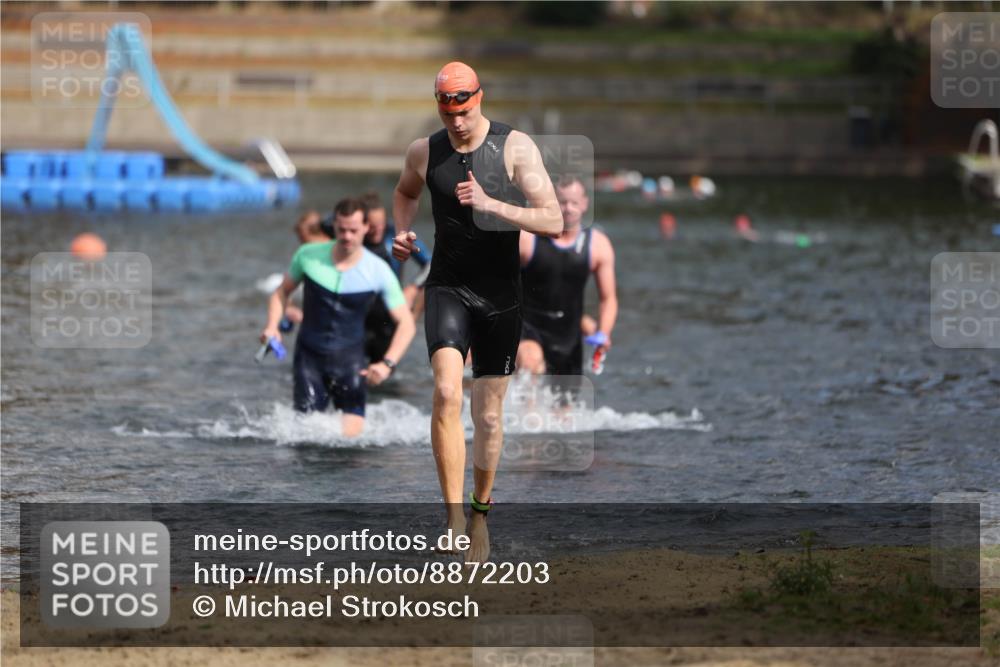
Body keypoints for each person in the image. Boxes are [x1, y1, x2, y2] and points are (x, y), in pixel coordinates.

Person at [392, 61, 563, 562]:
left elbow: (552, 219)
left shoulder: (515, 147)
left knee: (487, 416)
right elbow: (405, 193)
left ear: (479, 99)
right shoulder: (424, 151)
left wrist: (495, 206)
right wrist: (401, 234)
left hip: (500, 297)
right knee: (446, 392)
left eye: (464, 112)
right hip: (447, 286)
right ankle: (449, 519)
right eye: (448, 115)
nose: (457, 124)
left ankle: (479, 516)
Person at [261, 197, 416, 437]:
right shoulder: (308, 255)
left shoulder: (378, 270)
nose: (347, 236)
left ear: (366, 227)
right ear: (333, 226)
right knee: (306, 440)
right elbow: (281, 293)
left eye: (353, 230)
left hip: (350, 363)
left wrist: (387, 364)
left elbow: (406, 324)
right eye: (341, 229)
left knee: (350, 444)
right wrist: (272, 327)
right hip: (309, 360)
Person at [517, 176, 618, 375]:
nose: (568, 208)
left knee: (564, 406)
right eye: (562, 202)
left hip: (568, 335)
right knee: (530, 360)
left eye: (574, 202)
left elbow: (608, 299)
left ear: (584, 204)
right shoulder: (527, 239)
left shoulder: (598, 245)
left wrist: (603, 332)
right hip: (527, 325)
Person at [358, 191, 432, 363]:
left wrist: (413, 288)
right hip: (359, 316)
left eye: (381, 224)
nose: (378, 230)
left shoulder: (396, 235)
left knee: (382, 368)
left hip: (388, 316)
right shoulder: (353, 239)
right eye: (371, 225)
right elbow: (324, 224)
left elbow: (431, 264)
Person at [284, 210, 333, 327]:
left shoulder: (338, 255)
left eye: (303, 238)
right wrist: (289, 307)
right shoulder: (305, 256)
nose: (301, 245)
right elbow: (285, 290)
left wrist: (303, 317)